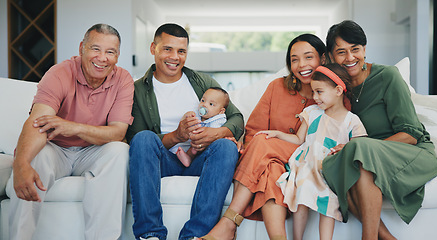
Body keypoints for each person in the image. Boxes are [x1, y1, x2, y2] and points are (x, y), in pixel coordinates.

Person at [7, 23, 134, 240]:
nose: (102, 58)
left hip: (94, 151)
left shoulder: (123, 79)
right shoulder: (59, 73)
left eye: (110, 52)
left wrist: (72, 127)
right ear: (81, 48)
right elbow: (38, 122)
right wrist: (21, 164)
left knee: (119, 151)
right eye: (96, 49)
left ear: (118, 56)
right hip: (57, 149)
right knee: (34, 158)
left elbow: (117, 133)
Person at [321, 20, 437, 240]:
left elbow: (411, 134)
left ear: (364, 49)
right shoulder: (337, 89)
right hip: (365, 156)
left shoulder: (387, 76)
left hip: (409, 151)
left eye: (355, 49)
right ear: (330, 57)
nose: (350, 58)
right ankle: (387, 238)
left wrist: (362, 147)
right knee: (333, 163)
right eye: (341, 52)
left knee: (359, 152)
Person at [200, 33, 326, 240]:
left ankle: (228, 223)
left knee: (262, 142)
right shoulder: (277, 87)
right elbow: (253, 129)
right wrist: (244, 147)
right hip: (272, 159)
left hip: (307, 158)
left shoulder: (332, 92)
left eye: (308, 57)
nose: (301, 64)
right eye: (294, 59)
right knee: (270, 170)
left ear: (322, 57)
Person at [126, 23, 244, 240]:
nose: (175, 57)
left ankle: (196, 235)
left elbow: (237, 119)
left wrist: (214, 135)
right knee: (143, 139)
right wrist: (177, 137)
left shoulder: (203, 82)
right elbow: (135, 140)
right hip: (163, 161)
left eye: (181, 51)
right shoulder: (137, 90)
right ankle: (150, 234)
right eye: (167, 49)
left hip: (199, 160)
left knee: (226, 145)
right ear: (153, 48)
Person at [256, 63, 367, 240]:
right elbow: (299, 140)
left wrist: (345, 147)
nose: (314, 97)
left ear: (338, 91)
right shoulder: (312, 112)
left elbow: (360, 146)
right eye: (313, 92)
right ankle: (297, 238)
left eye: (319, 92)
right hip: (306, 165)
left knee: (329, 201)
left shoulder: (351, 121)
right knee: (302, 192)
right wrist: (277, 134)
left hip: (330, 170)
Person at [176, 87, 231, 167]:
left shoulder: (219, 119)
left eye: (211, 104)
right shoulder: (198, 115)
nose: (204, 105)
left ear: (221, 111)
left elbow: (213, 133)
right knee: (193, 146)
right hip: (198, 144)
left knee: (199, 143)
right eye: (203, 100)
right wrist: (188, 116)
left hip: (211, 148)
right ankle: (188, 157)